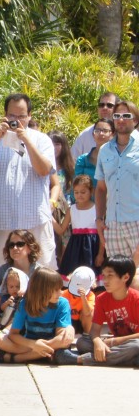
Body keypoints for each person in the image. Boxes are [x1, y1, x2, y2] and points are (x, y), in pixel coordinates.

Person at [0, 93, 56, 269]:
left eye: (21, 116)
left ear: (29, 116)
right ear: (5, 115)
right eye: (12, 115)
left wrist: (25, 139)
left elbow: (44, 170)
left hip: (34, 222)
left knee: (41, 277)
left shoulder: (42, 140)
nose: (16, 120)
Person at [56, 256, 139, 366]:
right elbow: (94, 330)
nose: (105, 280)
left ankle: (79, 359)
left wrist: (116, 341)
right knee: (82, 343)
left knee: (136, 346)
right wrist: (97, 342)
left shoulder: (136, 299)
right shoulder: (101, 299)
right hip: (116, 345)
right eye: (103, 275)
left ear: (125, 277)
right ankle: (130, 359)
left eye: (110, 275)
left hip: (131, 342)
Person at [0, 267, 74, 364]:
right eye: (56, 290)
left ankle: (19, 358)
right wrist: (34, 345)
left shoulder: (62, 303)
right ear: (42, 290)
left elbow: (61, 333)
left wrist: (44, 345)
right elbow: (13, 334)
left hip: (51, 342)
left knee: (65, 339)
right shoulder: (25, 304)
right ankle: (40, 355)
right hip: (29, 344)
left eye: (60, 289)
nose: (61, 292)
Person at [95, 99, 139, 266]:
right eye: (117, 116)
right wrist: (99, 219)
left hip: (136, 220)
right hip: (112, 224)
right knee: (118, 277)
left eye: (126, 115)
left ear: (135, 120)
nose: (121, 119)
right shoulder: (105, 150)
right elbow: (100, 188)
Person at [55, 175, 103, 281]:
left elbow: (101, 234)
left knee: (92, 276)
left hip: (92, 248)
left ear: (91, 191)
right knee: (73, 277)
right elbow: (61, 230)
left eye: (83, 192)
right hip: (75, 249)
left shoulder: (97, 208)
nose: (79, 195)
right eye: (76, 192)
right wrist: (49, 217)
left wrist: (100, 254)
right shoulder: (71, 209)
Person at [0, 230, 42, 308]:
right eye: (11, 245)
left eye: (20, 244)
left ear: (30, 248)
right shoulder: (1, 271)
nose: (15, 248)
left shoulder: (40, 272)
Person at [71, 92, 119, 159]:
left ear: (117, 109)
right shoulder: (85, 135)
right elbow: (72, 162)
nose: (104, 108)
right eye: (101, 105)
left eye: (109, 105)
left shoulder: (123, 134)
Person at [74, 117, 113, 183]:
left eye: (105, 131)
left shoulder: (117, 159)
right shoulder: (82, 160)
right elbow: (77, 186)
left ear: (112, 135)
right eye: (97, 131)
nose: (101, 134)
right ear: (93, 135)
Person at [60, 267, 96, 336]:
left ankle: (87, 335)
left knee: (90, 313)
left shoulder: (91, 295)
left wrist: (83, 298)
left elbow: (87, 312)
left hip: (81, 322)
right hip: (68, 323)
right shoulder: (64, 294)